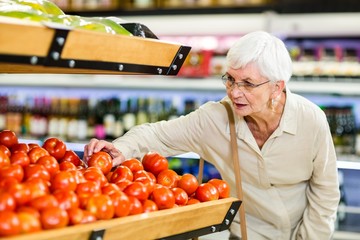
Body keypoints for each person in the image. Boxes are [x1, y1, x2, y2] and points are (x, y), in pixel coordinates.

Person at [83, 31, 340, 239]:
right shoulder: (216, 119)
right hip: (246, 235)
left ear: (277, 87)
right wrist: (121, 148)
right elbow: (156, 135)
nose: (234, 92)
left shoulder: (310, 120)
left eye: (248, 84)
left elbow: (325, 191)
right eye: (230, 79)